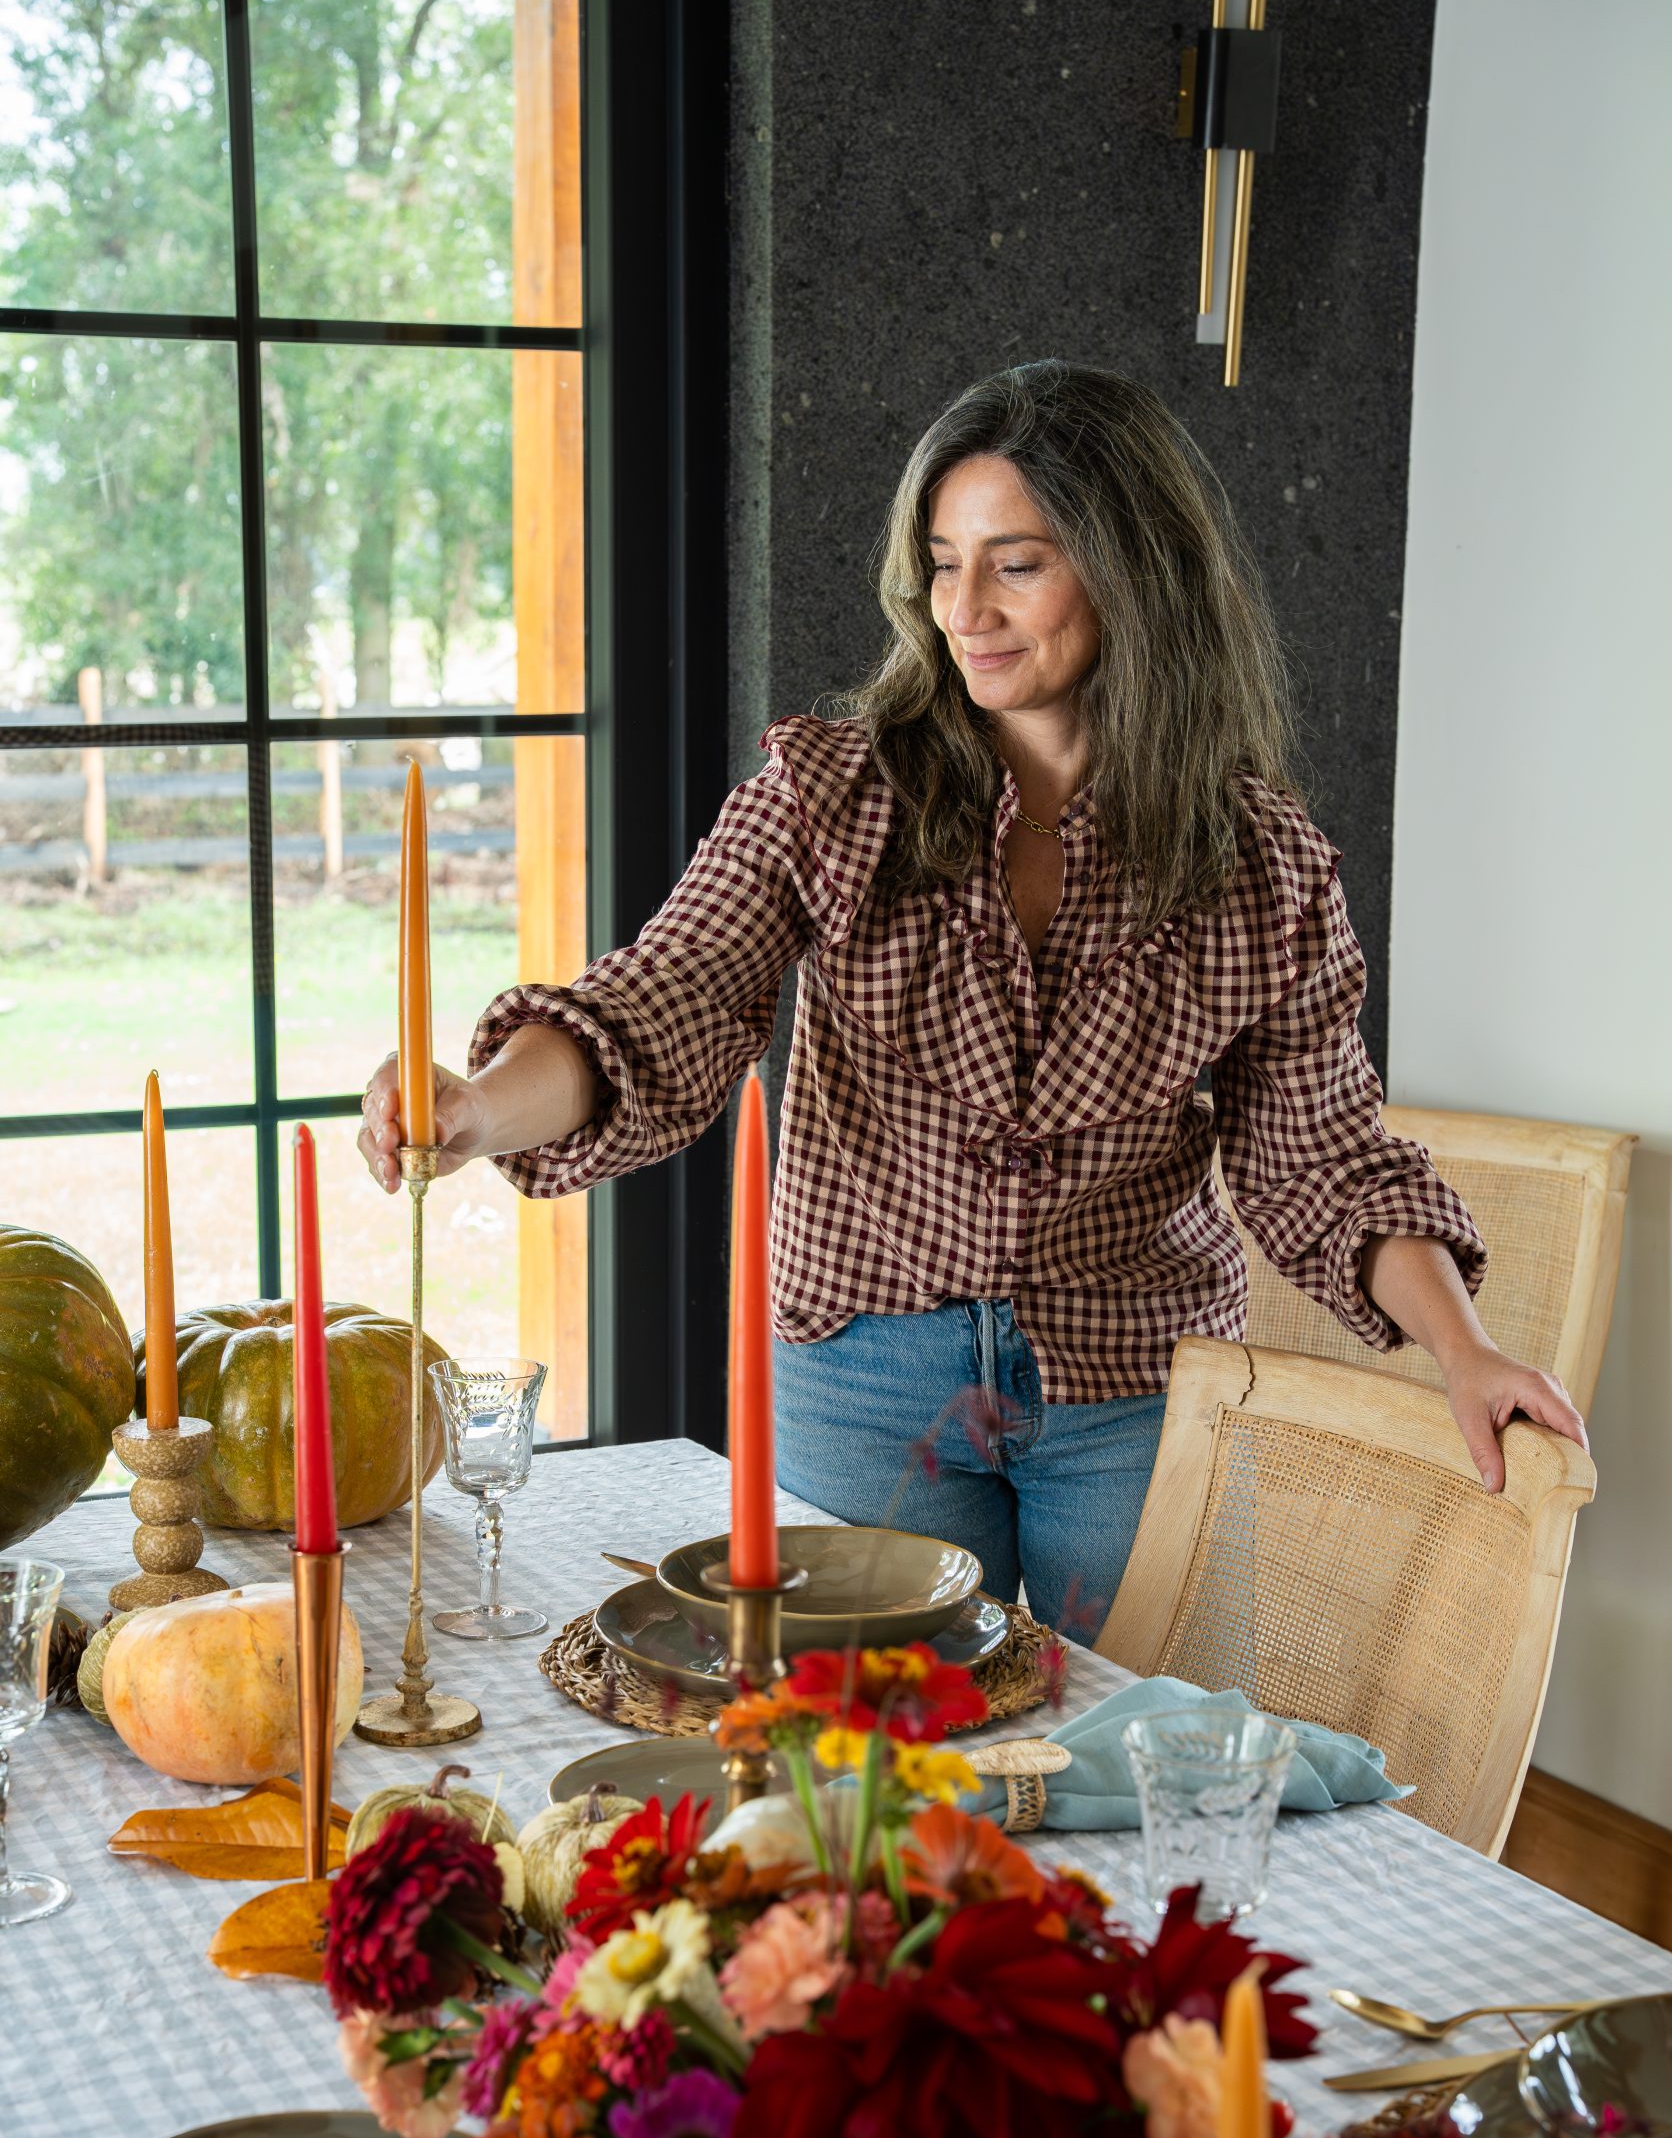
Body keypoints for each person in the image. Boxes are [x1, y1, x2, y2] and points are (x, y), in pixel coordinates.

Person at [360, 360, 1586, 1636]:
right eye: (944, 564)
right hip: (860, 1380)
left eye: (1018, 564)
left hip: (1137, 1386)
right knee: (864, 1747)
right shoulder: (832, 795)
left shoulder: (1261, 865)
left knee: (1132, 1738)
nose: (965, 609)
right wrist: (478, 1108)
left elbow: (1322, 1158)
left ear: (1132, 569)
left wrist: (1465, 1351)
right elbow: (662, 1002)